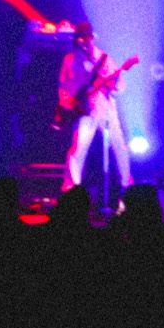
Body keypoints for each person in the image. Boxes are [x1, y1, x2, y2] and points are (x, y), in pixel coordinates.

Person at [59, 21, 136, 197]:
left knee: (119, 146)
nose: (85, 42)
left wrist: (113, 83)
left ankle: (127, 183)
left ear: (92, 38)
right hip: (83, 110)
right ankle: (71, 187)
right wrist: (67, 103)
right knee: (78, 148)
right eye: (81, 39)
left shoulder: (104, 60)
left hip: (105, 108)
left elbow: (120, 87)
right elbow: (63, 85)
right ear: (77, 40)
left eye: (88, 38)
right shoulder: (70, 60)